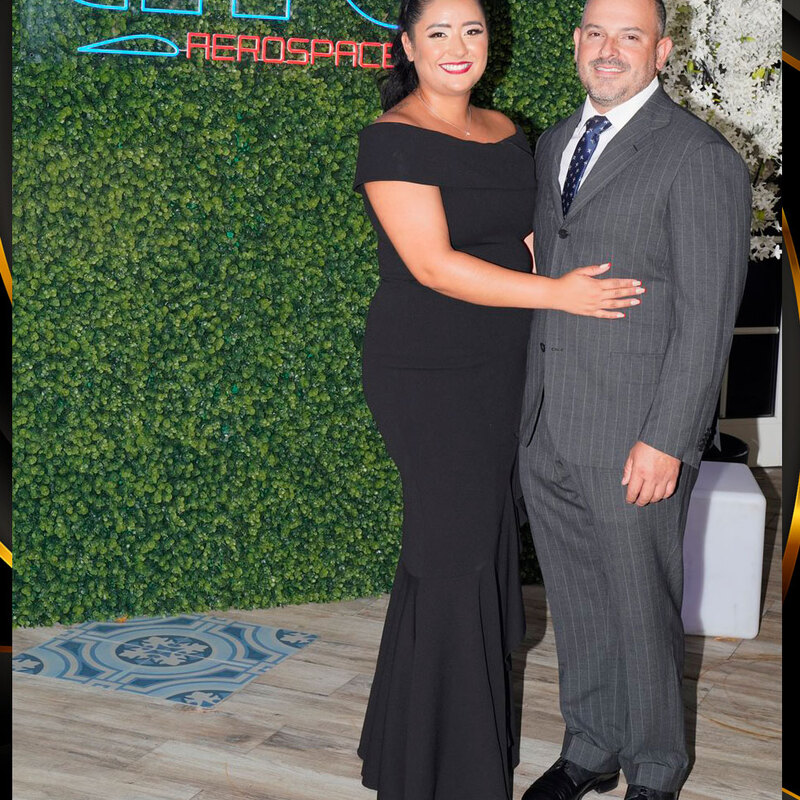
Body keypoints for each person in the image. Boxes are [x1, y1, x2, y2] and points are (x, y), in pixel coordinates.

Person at [352, 0, 646, 797]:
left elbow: (530, 236)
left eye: (472, 29)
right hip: (429, 370)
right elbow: (434, 265)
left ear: (490, 41)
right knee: (457, 553)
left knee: (461, 549)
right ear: (408, 45)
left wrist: (571, 291)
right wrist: (559, 294)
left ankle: (411, 751)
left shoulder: (508, 131)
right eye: (438, 32)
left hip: (505, 364)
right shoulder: (391, 138)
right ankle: (451, 774)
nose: (458, 46)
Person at [516, 0, 752, 799]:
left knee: (641, 608)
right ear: (576, 42)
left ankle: (655, 767)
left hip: (634, 434)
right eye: (595, 32)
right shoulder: (554, 142)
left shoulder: (698, 157)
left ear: (662, 51)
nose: (608, 49)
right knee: (578, 600)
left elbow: (707, 317)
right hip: (548, 424)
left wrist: (668, 438)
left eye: (629, 35)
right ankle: (590, 747)